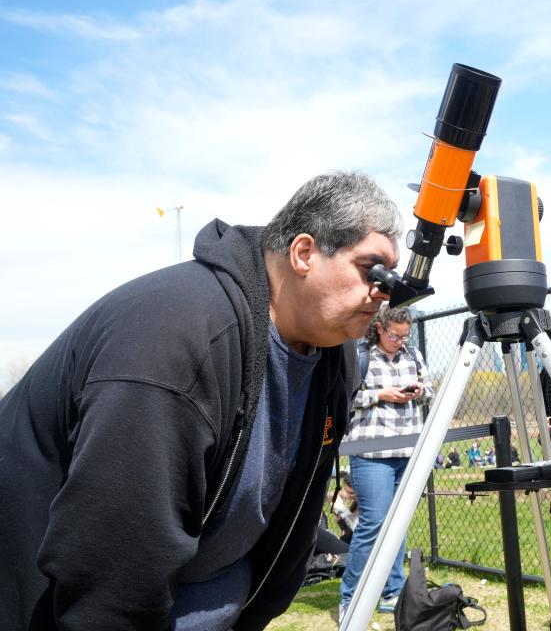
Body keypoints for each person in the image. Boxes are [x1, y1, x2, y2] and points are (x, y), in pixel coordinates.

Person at [0, 171, 403, 630]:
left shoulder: (337, 355)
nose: (384, 293)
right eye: (371, 270)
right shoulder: (175, 337)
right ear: (304, 253)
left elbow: (293, 514)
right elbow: (111, 562)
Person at [339, 306, 434, 619]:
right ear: (379, 327)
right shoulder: (360, 356)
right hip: (371, 453)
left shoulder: (414, 356)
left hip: (408, 451)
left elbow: (431, 392)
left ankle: (393, 591)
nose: (399, 340)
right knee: (373, 524)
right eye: (394, 334)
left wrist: (420, 391)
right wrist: (381, 395)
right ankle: (350, 598)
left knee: (397, 525)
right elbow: (344, 397)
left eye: (404, 335)